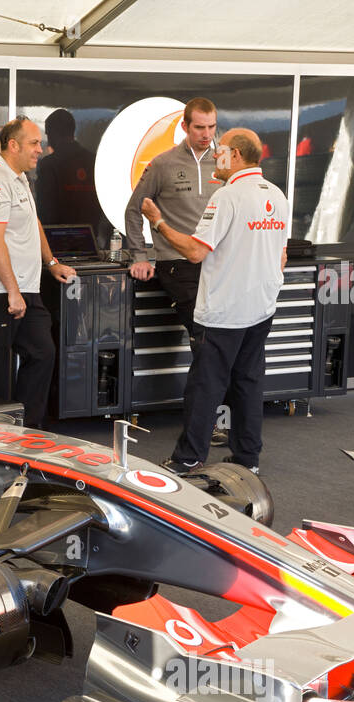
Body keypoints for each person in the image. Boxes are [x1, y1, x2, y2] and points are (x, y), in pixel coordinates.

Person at [139, 128, 289, 475]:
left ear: (235, 155)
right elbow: (280, 257)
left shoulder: (227, 197)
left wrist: (157, 221)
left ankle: (189, 457)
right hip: (261, 308)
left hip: (224, 312)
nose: (215, 153)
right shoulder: (277, 195)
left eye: (220, 149)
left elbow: (194, 251)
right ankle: (247, 460)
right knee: (249, 383)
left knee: (206, 386)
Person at [125, 97, 227, 445]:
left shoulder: (224, 163)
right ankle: (204, 424)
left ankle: (214, 418)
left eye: (212, 127)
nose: (206, 134)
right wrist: (139, 254)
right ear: (184, 127)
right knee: (205, 341)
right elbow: (133, 209)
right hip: (176, 264)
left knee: (219, 342)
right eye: (200, 127)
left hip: (217, 263)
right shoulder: (163, 164)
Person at [0, 116, 77, 429]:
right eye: (33, 143)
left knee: (42, 353)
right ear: (12, 145)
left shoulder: (18, 178)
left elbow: (33, 223)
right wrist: (12, 291)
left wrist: (51, 262)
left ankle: (27, 432)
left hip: (25, 287)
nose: (40, 150)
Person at [35, 108, 106, 239]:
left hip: (57, 240)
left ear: (53, 134)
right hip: (90, 238)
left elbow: (45, 210)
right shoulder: (93, 161)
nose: (49, 141)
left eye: (48, 134)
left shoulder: (49, 164)